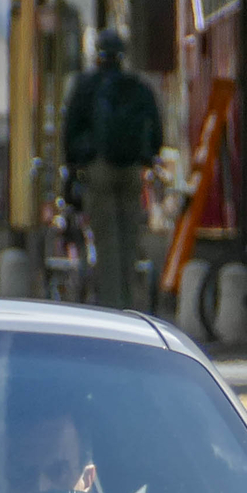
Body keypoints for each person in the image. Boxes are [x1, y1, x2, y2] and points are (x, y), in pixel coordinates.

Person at [60, 28, 163, 311]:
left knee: (106, 240)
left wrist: (75, 166)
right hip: (131, 170)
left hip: (99, 168)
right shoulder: (138, 87)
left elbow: (70, 131)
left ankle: (111, 305)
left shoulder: (87, 85)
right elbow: (156, 129)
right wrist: (147, 158)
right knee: (129, 237)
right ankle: (129, 300)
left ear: (98, 55)